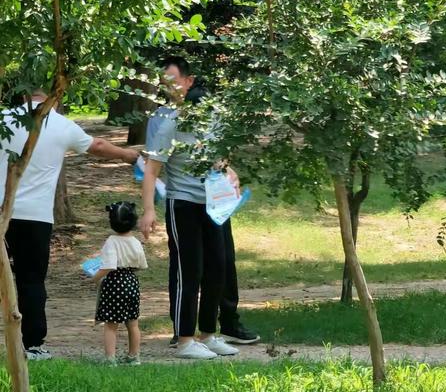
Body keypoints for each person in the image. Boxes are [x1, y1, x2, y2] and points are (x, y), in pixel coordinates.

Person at [0, 89, 139, 360]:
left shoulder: (4, 118)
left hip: (2, 210)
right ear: (55, 94)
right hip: (36, 217)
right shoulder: (61, 125)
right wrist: (128, 155)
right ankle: (32, 345)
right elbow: (96, 146)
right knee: (31, 281)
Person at [145, 59, 260, 348]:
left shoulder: (213, 121)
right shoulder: (168, 123)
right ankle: (184, 339)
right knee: (189, 271)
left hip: (214, 206)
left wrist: (229, 173)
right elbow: (151, 170)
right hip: (182, 204)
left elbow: (219, 159)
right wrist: (148, 210)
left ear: (189, 82)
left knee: (217, 267)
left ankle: (209, 335)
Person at [93, 201, 148, 366]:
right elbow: (142, 264)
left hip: (115, 283)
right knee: (133, 322)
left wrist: (95, 277)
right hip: (131, 281)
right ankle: (134, 356)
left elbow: (109, 266)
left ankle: (110, 359)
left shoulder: (112, 241)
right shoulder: (135, 241)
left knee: (111, 324)